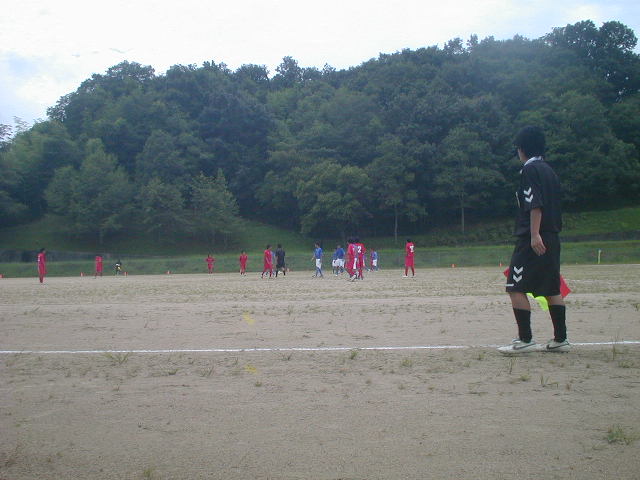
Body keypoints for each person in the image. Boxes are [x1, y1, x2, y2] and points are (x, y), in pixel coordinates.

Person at [498, 125, 569, 355]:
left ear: (522, 148)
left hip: (533, 237)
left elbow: (534, 203)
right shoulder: (549, 170)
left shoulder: (529, 170)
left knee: (515, 286)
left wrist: (534, 234)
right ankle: (561, 339)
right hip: (552, 235)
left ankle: (525, 339)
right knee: (551, 287)